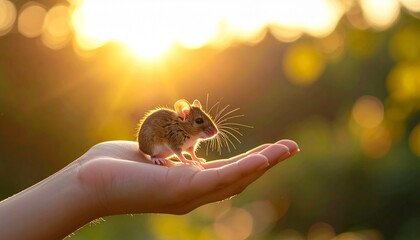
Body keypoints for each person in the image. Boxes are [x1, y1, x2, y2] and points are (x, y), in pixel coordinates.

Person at [0, 139, 299, 239]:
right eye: (201, 125)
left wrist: (85, 182)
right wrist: (88, 185)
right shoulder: (173, 133)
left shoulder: (186, 137)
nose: (209, 132)